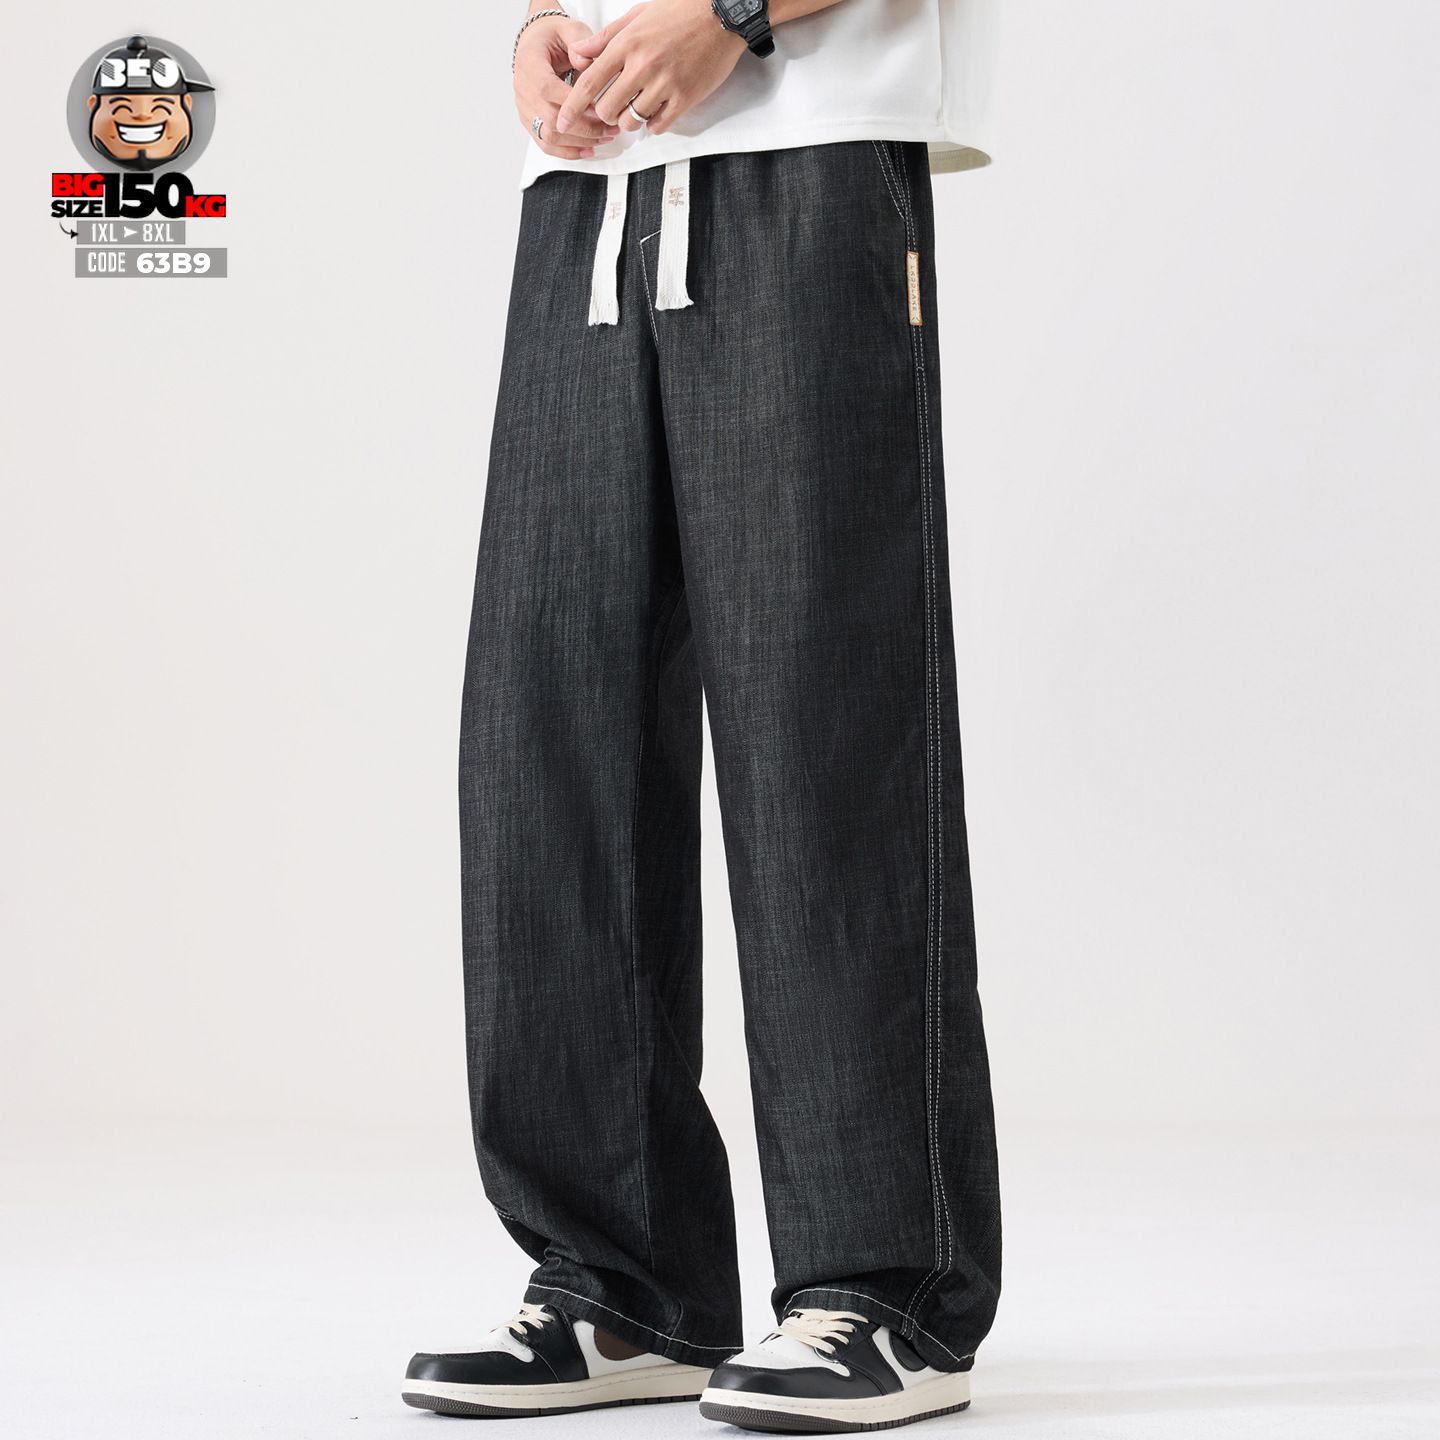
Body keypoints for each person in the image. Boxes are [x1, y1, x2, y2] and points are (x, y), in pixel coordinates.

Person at [403, 0, 1002, 1430]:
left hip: (810, 158)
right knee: (553, 729)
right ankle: (624, 1281)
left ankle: (888, 1289)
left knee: (819, 718)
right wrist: (537, 29)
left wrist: (731, 14)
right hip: (590, 190)